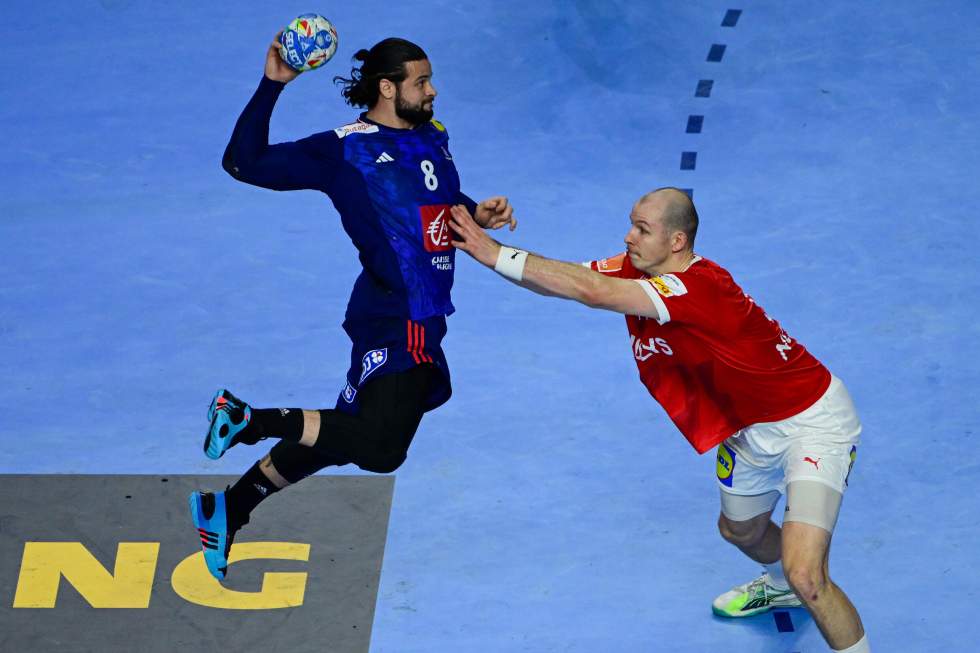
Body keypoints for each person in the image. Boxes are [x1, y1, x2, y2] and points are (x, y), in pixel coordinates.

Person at [447, 189, 869, 653]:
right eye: (631, 224)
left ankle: (804, 592)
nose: (628, 237)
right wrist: (492, 254)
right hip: (746, 427)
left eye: (642, 230)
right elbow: (565, 280)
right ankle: (780, 585)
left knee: (807, 574)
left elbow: (594, 292)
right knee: (739, 531)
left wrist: (495, 253)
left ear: (677, 241)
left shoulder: (699, 287)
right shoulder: (640, 268)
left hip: (811, 421)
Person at [189, 35, 516, 582]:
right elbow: (242, 163)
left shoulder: (432, 134)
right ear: (387, 88)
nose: (432, 90)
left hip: (413, 313)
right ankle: (248, 419)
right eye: (421, 82)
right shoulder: (345, 149)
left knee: (349, 431)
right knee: (382, 449)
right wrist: (275, 83)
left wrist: (475, 213)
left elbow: (434, 199)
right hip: (398, 313)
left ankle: (231, 506)